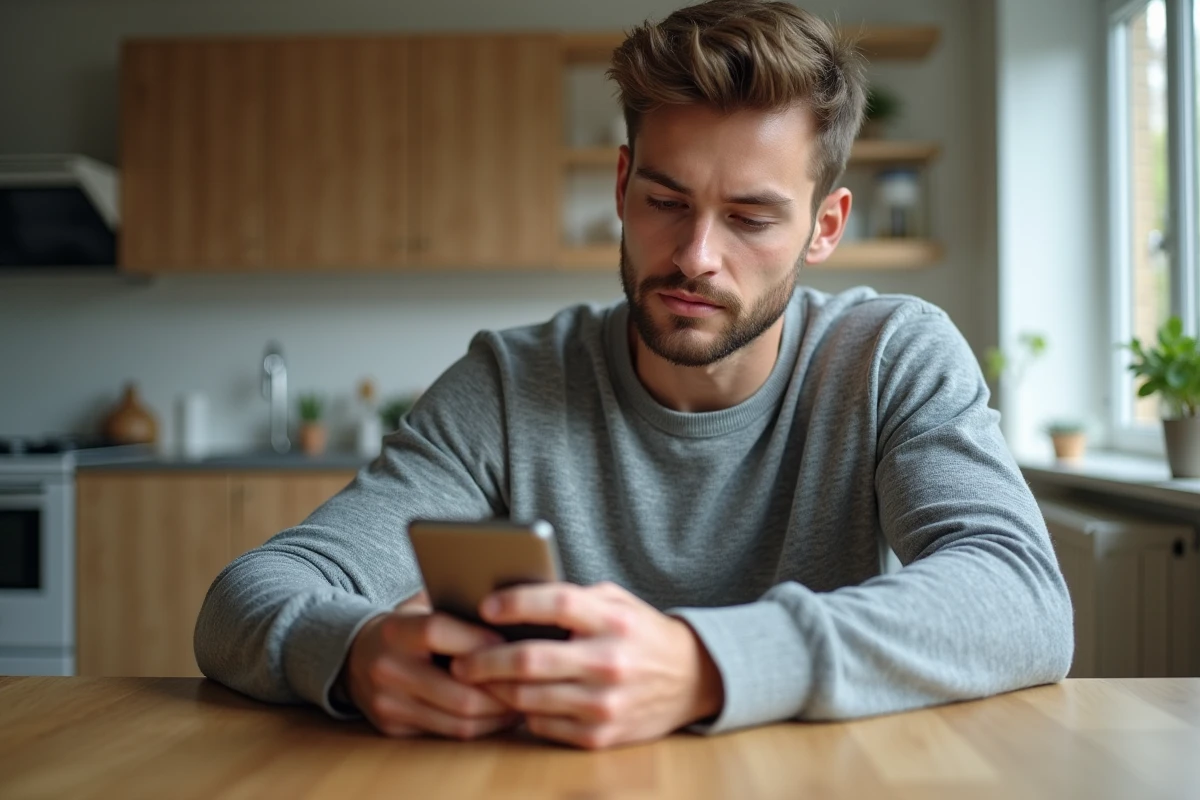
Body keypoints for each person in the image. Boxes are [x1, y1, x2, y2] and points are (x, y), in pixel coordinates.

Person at [195, 0, 1073, 751]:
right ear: (621, 186)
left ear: (825, 225)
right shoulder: (508, 384)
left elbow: (1020, 596)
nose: (697, 257)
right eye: (665, 202)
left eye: (752, 218)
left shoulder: (891, 358)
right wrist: (351, 651)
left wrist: (702, 665)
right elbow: (247, 597)